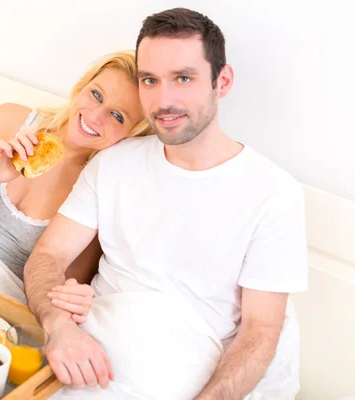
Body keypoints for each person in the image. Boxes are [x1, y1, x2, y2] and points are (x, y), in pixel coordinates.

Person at [24, 7, 308, 400]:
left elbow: (260, 331)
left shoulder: (274, 194)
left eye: (184, 78)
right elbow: (48, 255)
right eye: (150, 80)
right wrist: (60, 326)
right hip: (84, 349)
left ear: (222, 82)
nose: (164, 99)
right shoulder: (113, 163)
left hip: (178, 368)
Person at [0, 50, 153, 321]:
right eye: (96, 95)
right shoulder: (12, 120)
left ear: (131, 134)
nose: (95, 117)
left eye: (117, 116)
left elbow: (60, 286)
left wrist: (74, 296)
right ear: (82, 87)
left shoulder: (99, 187)